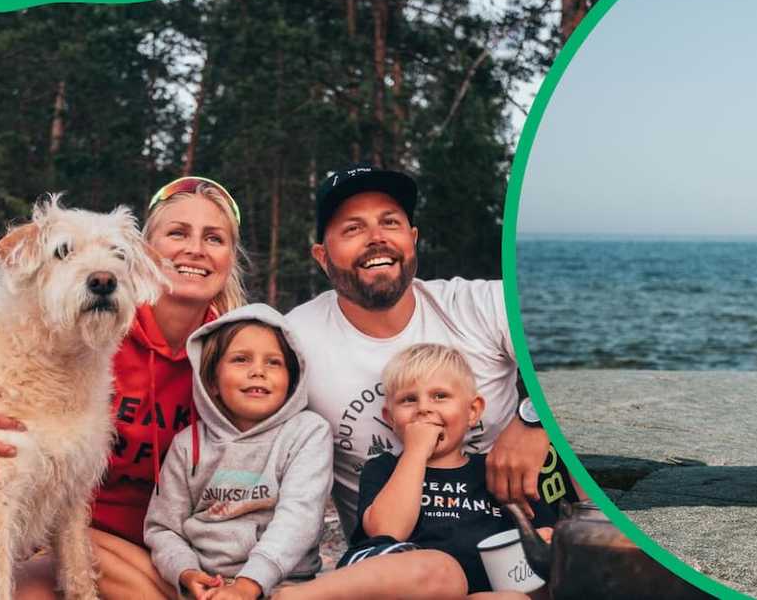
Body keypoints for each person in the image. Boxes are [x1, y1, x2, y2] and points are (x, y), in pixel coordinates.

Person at [286, 164, 557, 543]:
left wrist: (535, 419)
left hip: (513, 534)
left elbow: (595, 350)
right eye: (353, 228)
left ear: (413, 238)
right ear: (321, 256)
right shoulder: (296, 340)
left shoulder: (478, 305)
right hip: (397, 562)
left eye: (391, 223)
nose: (376, 238)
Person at [7, 177, 248, 600]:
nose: (195, 249)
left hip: (183, 550)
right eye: (177, 233)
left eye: (214, 238)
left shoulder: (243, 351)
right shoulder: (85, 335)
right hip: (88, 541)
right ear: (148, 253)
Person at [275, 343, 556, 600]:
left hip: (476, 590)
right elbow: (387, 531)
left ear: (473, 411)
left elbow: (543, 544)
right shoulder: (384, 467)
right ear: (390, 418)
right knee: (442, 570)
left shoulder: (492, 470)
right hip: (386, 581)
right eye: (409, 400)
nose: (424, 408)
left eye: (440, 396)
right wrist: (416, 451)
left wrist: (545, 539)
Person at [144, 303, 333, 600]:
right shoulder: (188, 443)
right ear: (212, 382)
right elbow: (163, 528)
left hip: (286, 583)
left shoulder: (307, 432)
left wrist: (249, 585)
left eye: (274, 362)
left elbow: (299, 518)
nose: (258, 372)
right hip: (208, 584)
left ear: (292, 380)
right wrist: (186, 572)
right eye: (241, 360)